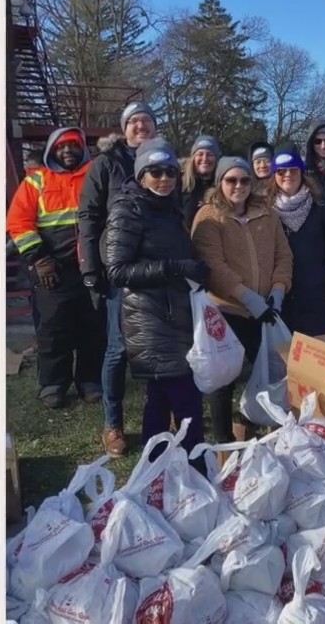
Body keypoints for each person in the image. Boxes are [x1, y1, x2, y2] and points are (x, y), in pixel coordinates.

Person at [102, 138, 210, 463]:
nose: (164, 179)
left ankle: (155, 473)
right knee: (187, 403)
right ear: (141, 175)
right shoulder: (129, 208)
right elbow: (118, 270)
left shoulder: (168, 207)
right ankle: (194, 470)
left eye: (170, 172)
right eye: (155, 172)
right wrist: (175, 268)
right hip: (150, 319)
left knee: (160, 401)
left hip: (175, 314)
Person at [191, 156, 294, 443]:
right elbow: (213, 265)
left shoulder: (267, 214)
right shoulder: (209, 216)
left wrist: (278, 290)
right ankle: (224, 442)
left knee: (273, 373)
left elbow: (283, 255)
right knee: (223, 380)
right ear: (220, 182)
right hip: (226, 311)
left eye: (245, 180)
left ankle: (274, 432)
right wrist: (247, 297)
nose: (239, 186)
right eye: (231, 180)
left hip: (265, 310)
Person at [78, 100, 158, 454]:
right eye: (134, 121)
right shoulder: (107, 163)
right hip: (119, 266)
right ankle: (113, 425)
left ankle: (161, 414)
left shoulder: (164, 159)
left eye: (146, 121)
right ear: (123, 129)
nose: (140, 126)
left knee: (159, 344)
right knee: (119, 348)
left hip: (157, 265)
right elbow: (88, 216)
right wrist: (90, 267)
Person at [7, 127, 106, 407]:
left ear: (82, 149)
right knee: (53, 329)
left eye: (73, 145)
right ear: (52, 151)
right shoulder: (36, 182)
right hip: (52, 270)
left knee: (92, 326)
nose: (67, 151)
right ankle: (53, 384)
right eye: (61, 146)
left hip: (90, 267)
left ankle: (90, 380)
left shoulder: (95, 176)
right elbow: (18, 223)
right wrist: (39, 258)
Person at [266, 142, 325, 336]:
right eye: (281, 171)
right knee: (283, 352)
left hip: (315, 296)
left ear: (301, 172)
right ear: (274, 174)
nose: (288, 175)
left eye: (293, 170)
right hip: (279, 296)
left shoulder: (320, 205)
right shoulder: (265, 210)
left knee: (317, 350)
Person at [181, 134, 220, 230]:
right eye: (200, 154)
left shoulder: (223, 186)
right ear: (193, 158)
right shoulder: (179, 183)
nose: (204, 158)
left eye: (210, 154)